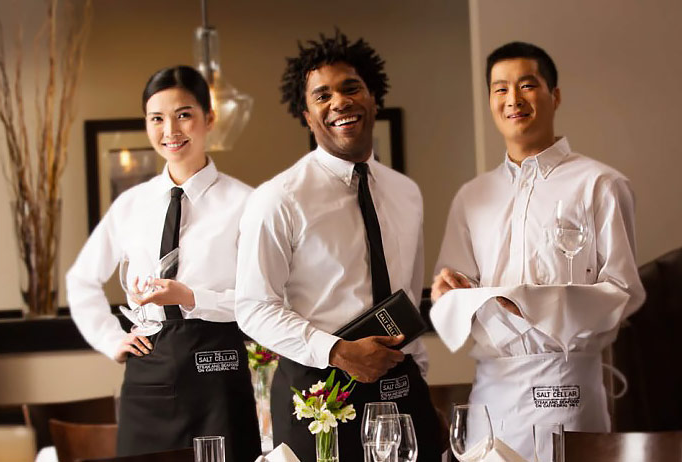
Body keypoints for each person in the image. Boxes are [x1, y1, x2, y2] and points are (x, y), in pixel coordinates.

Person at [430, 41, 645, 459]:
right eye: (500, 89)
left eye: (526, 85)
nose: (513, 99)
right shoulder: (471, 197)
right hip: (492, 399)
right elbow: (452, 288)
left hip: (569, 392)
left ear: (554, 95)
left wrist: (537, 301)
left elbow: (624, 290)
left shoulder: (601, 184)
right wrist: (447, 291)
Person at [235, 31, 441, 461]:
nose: (339, 102)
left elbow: (407, 298)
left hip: (403, 394)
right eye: (322, 95)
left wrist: (420, 382)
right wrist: (338, 352)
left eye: (351, 88)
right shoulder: (278, 198)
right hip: (317, 397)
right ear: (307, 116)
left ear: (373, 99)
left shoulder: (407, 193)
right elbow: (252, 307)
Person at [66, 65, 260, 461]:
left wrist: (192, 296)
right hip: (147, 381)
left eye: (183, 114)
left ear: (209, 118)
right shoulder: (132, 205)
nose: (170, 130)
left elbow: (265, 298)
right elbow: (81, 280)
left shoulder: (248, 204)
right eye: (157, 118)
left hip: (218, 377)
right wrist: (110, 339)